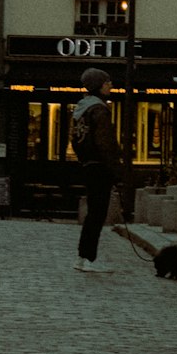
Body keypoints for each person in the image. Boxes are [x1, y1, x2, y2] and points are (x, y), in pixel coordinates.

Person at [70, 67, 121, 272]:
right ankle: (88, 257)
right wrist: (116, 170)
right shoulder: (99, 110)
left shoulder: (82, 109)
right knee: (97, 214)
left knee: (94, 212)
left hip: (89, 166)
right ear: (99, 85)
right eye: (107, 82)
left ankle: (84, 256)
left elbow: (75, 140)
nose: (110, 86)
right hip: (101, 167)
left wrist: (85, 160)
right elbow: (105, 143)